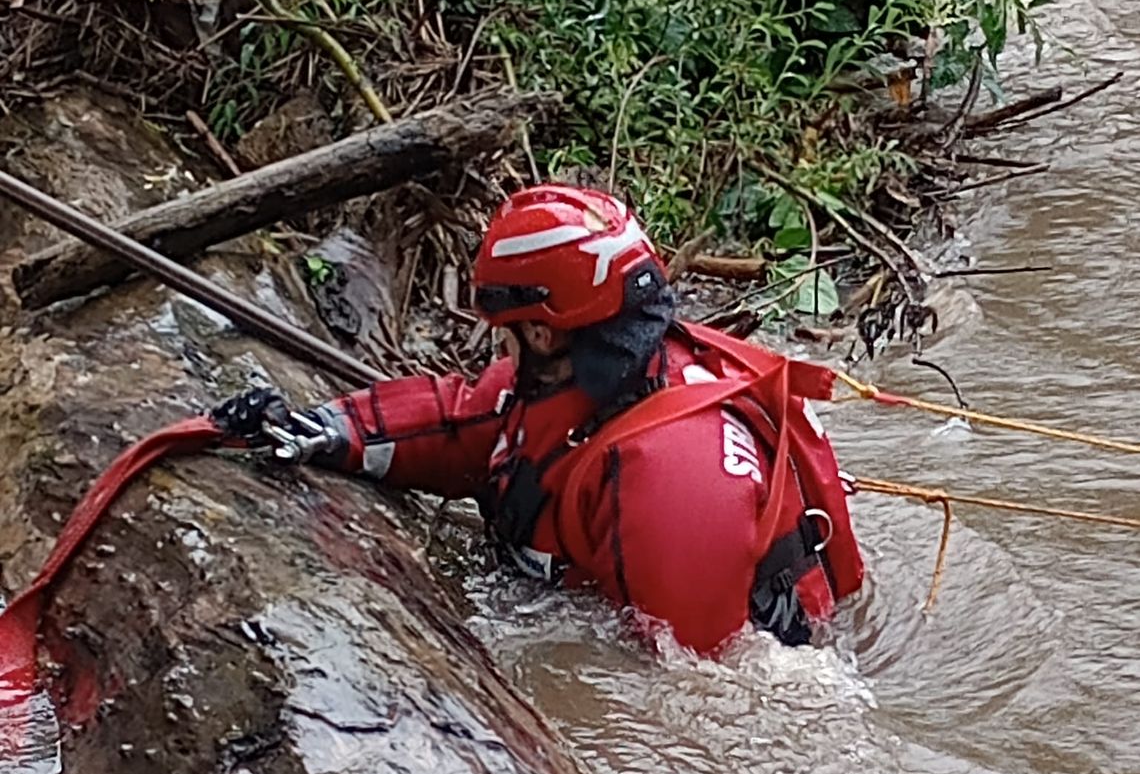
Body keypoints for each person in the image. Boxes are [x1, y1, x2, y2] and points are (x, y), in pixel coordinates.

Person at [212, 185, 864, 653]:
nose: (499, 346)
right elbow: (461, 422)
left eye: (506, 330)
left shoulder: (675, 481)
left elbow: (700, 690)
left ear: (547, 335)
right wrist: (323, 428)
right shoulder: (586, 382)